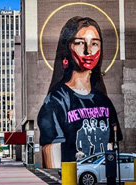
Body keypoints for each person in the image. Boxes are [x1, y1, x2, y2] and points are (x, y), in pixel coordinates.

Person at [37, 16, 123, 168]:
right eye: (79, 43)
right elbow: (52, 160)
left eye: (94, 43)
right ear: (67, 48)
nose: (88, 50)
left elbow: (111, 150)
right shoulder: (56, 101)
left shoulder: (104, 101)